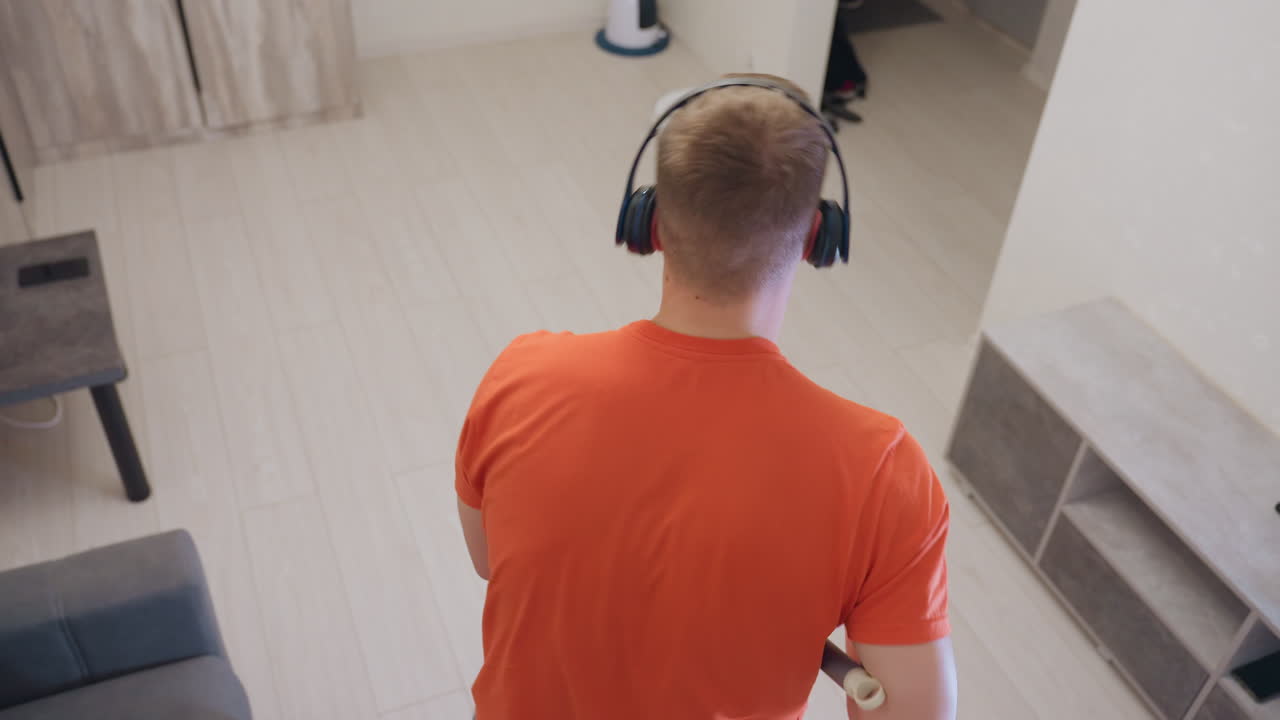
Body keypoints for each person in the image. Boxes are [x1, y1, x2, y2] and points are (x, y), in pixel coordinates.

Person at [455, 73, 957, 720]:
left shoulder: (519, 377)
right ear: (816, 237)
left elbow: (489, 561)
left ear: (651, 222)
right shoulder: (885, 475)